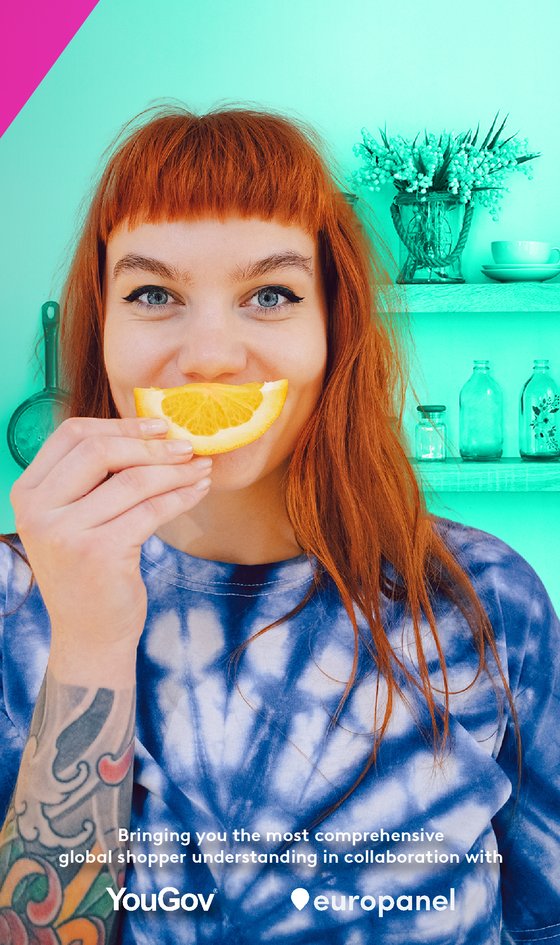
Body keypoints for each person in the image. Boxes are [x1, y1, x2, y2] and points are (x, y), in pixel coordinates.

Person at [0, 103, 558, 945]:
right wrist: (88, 639)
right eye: (153, 293)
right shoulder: (15, 601)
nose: (211, 355)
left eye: (270, 294)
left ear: (334, 326)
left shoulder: (484, 596)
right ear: (101, 327)